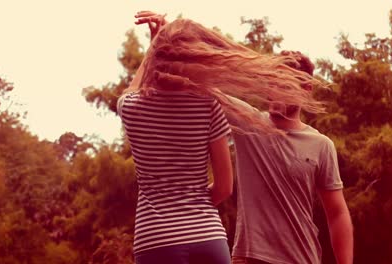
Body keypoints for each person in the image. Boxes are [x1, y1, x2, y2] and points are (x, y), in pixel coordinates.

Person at [120, 11, 328, 264]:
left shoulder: (131, 107)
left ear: (157, 59)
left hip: (156, 240)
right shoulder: (208, 105)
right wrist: (193, 204)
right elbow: (224, 187)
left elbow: (135, 87)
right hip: (208, 239)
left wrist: (154, 45)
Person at [228, 51, 354, 264]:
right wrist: (164, 49)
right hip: (249, 258)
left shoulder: (321, 145)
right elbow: (201, 87)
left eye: (285, 85)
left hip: (302, 258)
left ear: (306, 89)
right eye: (272, 82)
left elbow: (337, 213)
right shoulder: (246, 122)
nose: (275, 91)